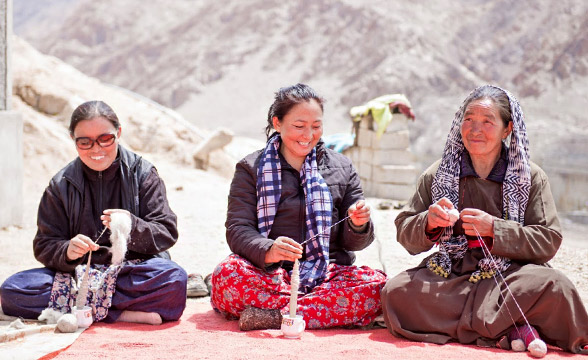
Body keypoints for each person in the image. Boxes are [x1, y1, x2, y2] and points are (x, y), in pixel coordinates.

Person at [380, 85, 588, 355]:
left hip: (512, 275)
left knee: (556, 287)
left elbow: (548, 240)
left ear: (507, 128)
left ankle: (482, 326)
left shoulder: (530, 177)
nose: (475, 129)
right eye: (469, 119)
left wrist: (495, 229)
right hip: (451, 273)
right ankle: (507, 327)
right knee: (396, 292)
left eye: (487, 122)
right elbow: (405, 233)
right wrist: (428, 223)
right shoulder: (438, 174)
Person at [210, 83, 386, 330]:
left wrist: (358, 226)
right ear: (277, 123)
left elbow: (353, 244)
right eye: (299, 126)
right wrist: (268, 249)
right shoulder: (250, 168)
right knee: (228, 275)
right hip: (270, 275)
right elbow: (238, 229)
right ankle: (314, 312)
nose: (308, 136)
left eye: (316, 127)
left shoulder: (342, 168)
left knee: (378, 287)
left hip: (328, 275)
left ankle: (273, 316)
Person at [0, 101, 187, 325]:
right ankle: (121, 313)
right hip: (77, 276)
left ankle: (81, 310)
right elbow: (43, 244)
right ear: (73, 140)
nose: (96, 149)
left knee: (174, 279)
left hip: (131, 273)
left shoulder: (143, 174)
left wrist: (130, 226)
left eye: (105, 139)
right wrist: (67, 250)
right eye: (85, 142)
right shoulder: (61, 184)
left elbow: (166, 232)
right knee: (12, 290)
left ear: (118, 133)